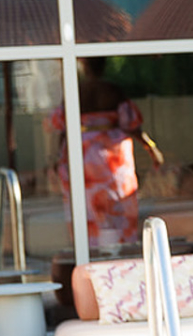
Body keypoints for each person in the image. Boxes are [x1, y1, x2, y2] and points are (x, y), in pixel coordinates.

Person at [51, 57, 164, 248]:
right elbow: (132, 125)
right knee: (118, 204)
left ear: (84, 67)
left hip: (83, 152)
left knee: (86, 206)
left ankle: (90, 252)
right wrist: (152, 148)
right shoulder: (113, 90)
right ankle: (121, 250)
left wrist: (59, 158)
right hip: (113, 154)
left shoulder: (75, 91)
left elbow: (61, 126)